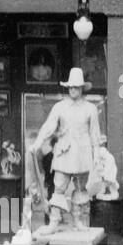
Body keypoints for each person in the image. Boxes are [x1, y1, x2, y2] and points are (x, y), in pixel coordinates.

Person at [31, 67, 102, 235]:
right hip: (63, 152)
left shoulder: (90, 109)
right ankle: (54, 222)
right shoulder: (59, 107)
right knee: (59, 187)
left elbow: (95, 135)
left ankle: (78, 220)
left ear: (82, 88)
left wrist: (97, 155)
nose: (73, 90)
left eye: (76, 87)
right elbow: (48, 127)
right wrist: (37, 143)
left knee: (80, 188)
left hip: (83, 154)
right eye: (70, 87)